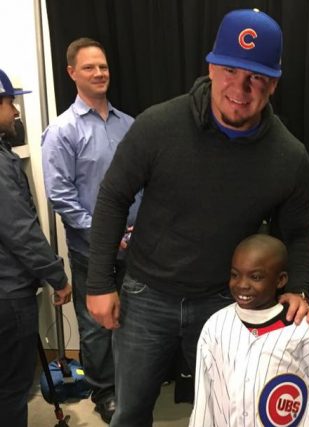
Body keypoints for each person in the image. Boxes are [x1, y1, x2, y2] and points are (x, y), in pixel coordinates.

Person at [86, 8, 309, 426]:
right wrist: (99, 283)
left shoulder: (289, 156)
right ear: (211, 67)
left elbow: (300, 232)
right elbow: (112, 198)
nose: (241, 87)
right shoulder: (158, 125)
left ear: (273, 84)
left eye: (257, 77)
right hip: (146, 296)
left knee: (229, 411)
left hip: (225, 302)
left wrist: (299, 287)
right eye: (231, 69)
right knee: (131, 412)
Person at [41, 38, 139, 423]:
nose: (99, 73)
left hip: (134, 247)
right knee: (97, 325)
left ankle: (131, 384)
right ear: (71, 73)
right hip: (91, 252)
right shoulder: (62, 131)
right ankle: (105, 392)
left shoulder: (129, 125)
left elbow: (143, 184)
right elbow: (61, 196)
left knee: (132, 319)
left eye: (103, 66)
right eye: (89, 68)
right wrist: (103, 233)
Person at [189, 234, 309, 427]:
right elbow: (204, 399)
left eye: (255, 277)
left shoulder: (301, 330)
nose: (242, 284)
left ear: (281, 280)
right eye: (235, 274)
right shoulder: (216, 325)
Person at [0, 68, 72, 427]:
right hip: (7, 294)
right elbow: (19, 230)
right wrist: (57, 276)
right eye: (10, 102)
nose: (15, 112)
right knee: (11, 388)